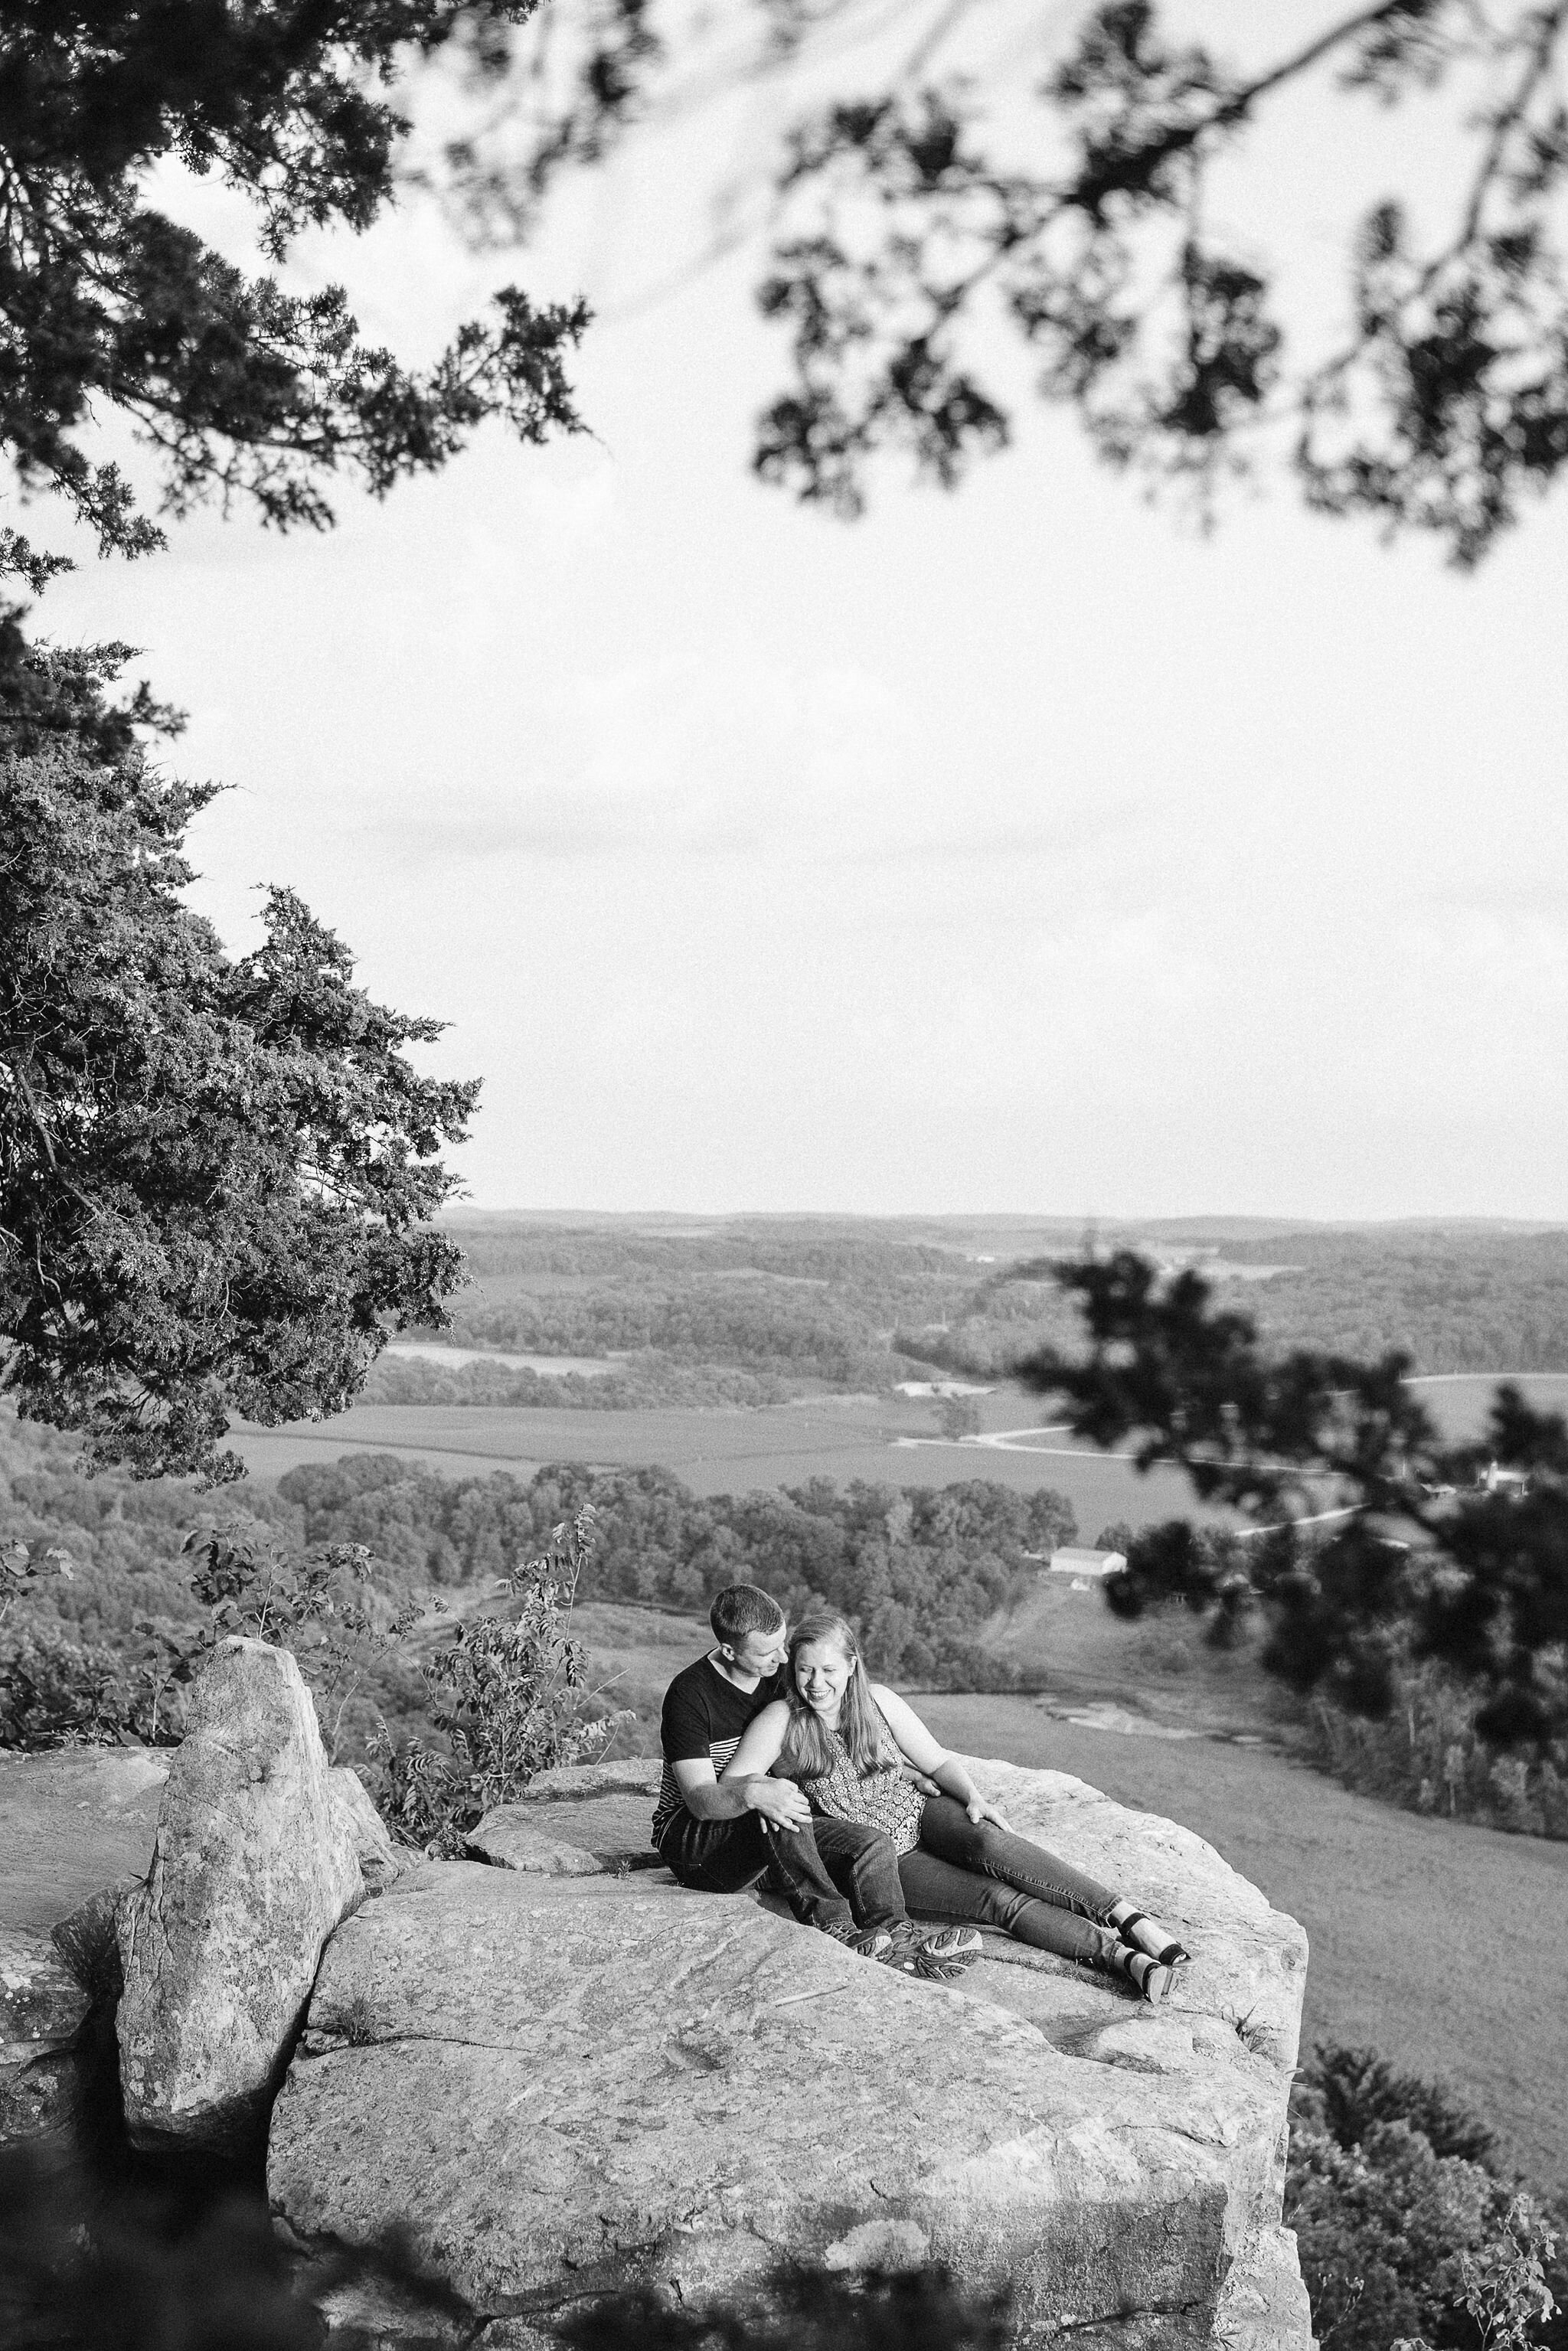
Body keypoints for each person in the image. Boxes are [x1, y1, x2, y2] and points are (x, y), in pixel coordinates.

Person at [721, 1610, 1192, 2003]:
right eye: (805, 1670)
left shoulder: (877, 1702)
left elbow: (938, 1760)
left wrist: (972, 1796)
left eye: (828, 1670)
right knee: (997, 1900)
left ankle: (1128, 1919)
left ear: (851, 1666)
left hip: (921, 1813)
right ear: (793, 1671)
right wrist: (762, 1792)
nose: (816, 1682)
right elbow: (735, 1781)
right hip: (884, 1857)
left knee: (989, 1840)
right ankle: (1124, 1960)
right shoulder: (782, 1719)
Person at [652, 1583, 983, 1979]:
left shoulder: (777, 1673)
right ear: (729, 1652)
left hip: (771, 1832)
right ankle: (833, 1926)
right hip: (696, 1841)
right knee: (780, 1802)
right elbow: (700, 1801)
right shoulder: (690, 1695)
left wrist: (903, 1770)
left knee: (870, 1843)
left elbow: (830, 1734)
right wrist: (754, 1793)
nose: (784, 1657)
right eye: (767, 1652)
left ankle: (901, 1942)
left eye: (782, 1644)